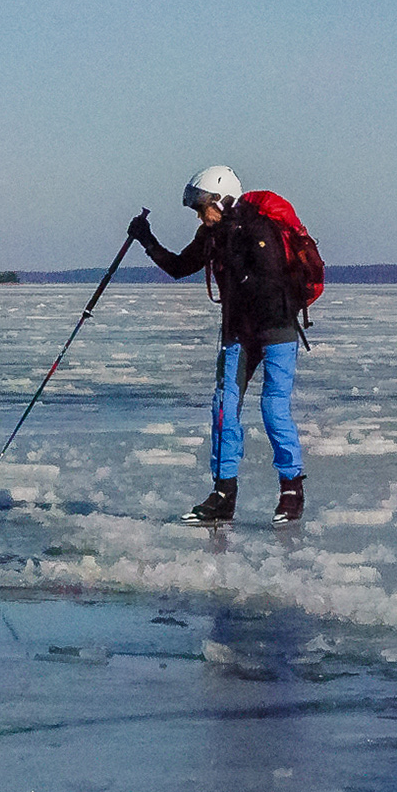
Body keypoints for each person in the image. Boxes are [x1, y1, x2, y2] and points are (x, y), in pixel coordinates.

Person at [128, 166, 307, 524]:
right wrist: (146, 240)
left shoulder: (257, 230)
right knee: (223, 409)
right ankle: (223, 494)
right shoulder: (212, 235)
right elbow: (180, 267)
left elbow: (269, 283)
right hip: (238, 332)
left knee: (273, 408)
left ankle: (291, 490)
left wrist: (237, 263)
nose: (200, 216)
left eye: (202, 207)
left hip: (276, 330)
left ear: (223, 199)